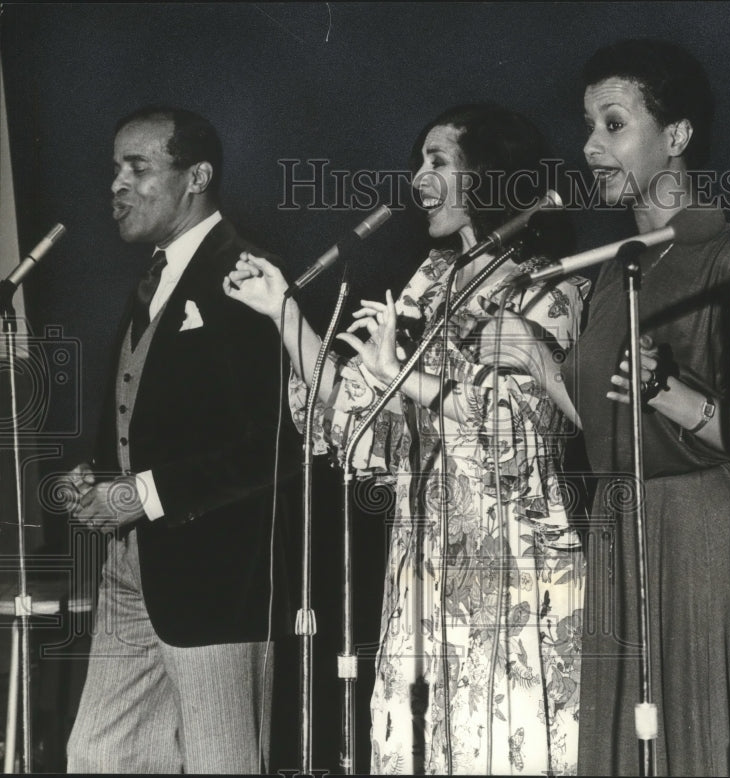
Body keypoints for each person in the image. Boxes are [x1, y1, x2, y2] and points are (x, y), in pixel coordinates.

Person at [224, 104, 588, 775]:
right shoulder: (430, 281)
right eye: (420, 160)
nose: (419, 177)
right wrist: (283, 312)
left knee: (508, 739)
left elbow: (517, 430)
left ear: (489, 172)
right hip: (426, 557)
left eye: (438, 161)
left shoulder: (550, 286)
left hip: (515, 557)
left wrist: (408, 381)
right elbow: (358, 411)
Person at [553, 39, 730, 776]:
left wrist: (670, 392)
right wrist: (536, 359)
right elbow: (604, 422)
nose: (591, 146)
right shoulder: (614, 266)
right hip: (620, 528)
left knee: (697, 748)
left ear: (678, 136)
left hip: (701, 534)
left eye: (613, 124)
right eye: (589, 127)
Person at [63, 105, 299, 773]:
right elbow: (158, 411)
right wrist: (101, 474)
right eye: (114, 169)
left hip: (218, 580)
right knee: (100, 756)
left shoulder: (250, 274)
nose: (117, 184)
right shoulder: (155, 278)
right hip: (133, 569)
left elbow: (278, 444)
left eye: (138, 168)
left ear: (197, 176)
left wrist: (142, 493)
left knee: (221, 760)